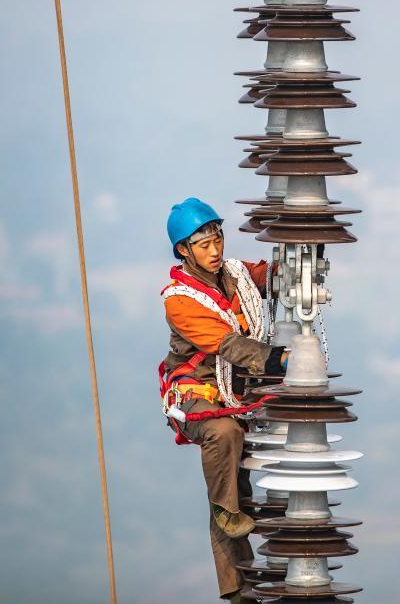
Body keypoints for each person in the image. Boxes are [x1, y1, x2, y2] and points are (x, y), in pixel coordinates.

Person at [159, 197, 287, 603]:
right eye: (204, 244)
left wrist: (302, 258)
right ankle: (227, 533)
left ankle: (244, 582)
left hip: (238, 393)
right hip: (199, 398)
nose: (216, 250)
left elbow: (268, 276)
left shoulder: (235, 275)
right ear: (184, 250)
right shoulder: (179, 299)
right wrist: (277, 359)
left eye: (218, 239)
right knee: (224, 436)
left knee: (241, 477)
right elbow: (226, 343)